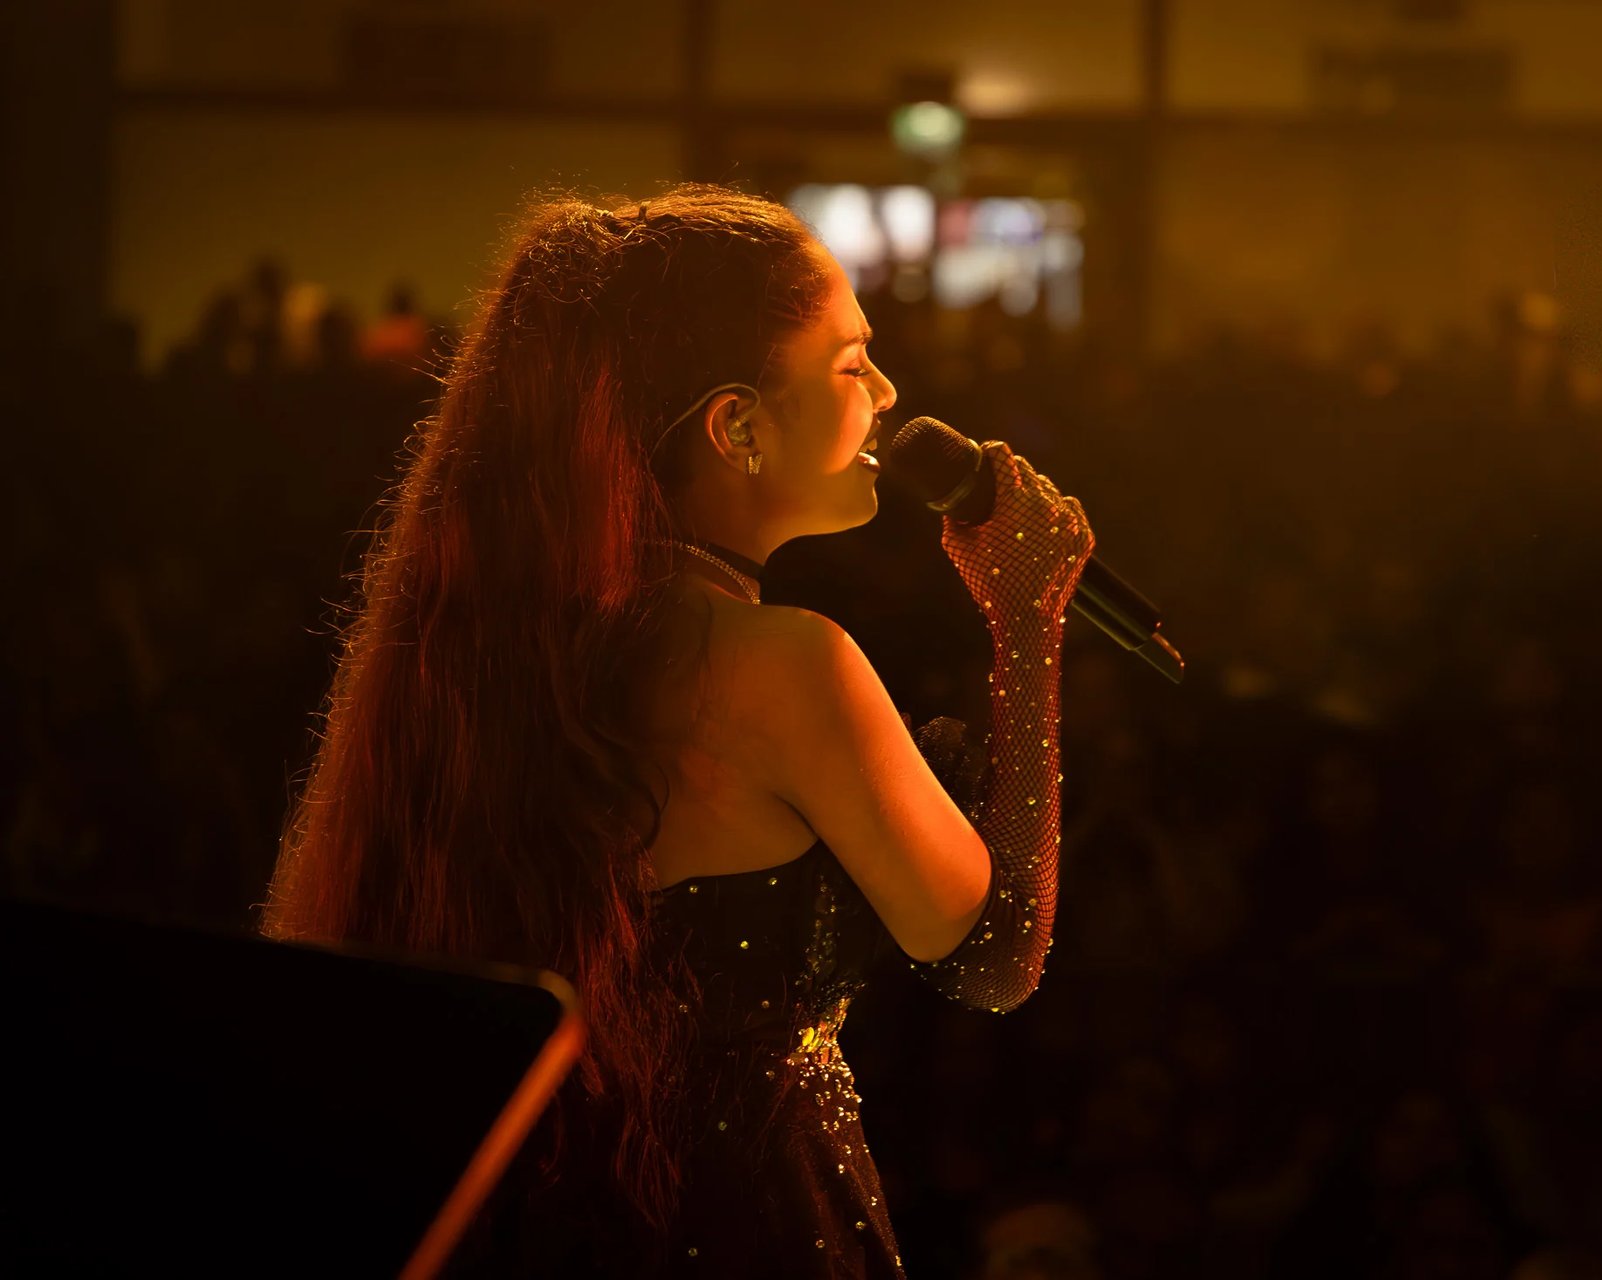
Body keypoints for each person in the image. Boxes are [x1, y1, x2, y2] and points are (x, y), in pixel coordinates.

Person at [260, 183, 1094, 1275]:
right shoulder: (782, 665)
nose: (890, 394)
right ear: (737, 425)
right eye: (852, 364)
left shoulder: (497, 660)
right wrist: (1027, 623)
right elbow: (997, 950)